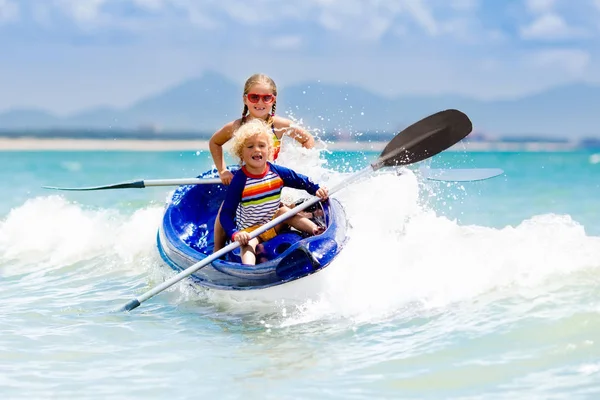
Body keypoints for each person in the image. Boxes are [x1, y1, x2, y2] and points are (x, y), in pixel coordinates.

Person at [209, 73, 316, 251]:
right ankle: (218, 252)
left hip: (272, 181)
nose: (260, 102)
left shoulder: (279, 124)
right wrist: (222, 171)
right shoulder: (237, 126)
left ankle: (304, 225)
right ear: (245, 99)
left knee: (286, 208)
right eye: (254, 97)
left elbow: (307, 140)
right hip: (247, 182)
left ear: (273, 100)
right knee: (223, 211)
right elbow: (215, 142)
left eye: (266, 97)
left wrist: (300, 165)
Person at [219, 119, 328, 265]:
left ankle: (317, 231)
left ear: (269, 150)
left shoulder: (276, 172)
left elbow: (298, 179)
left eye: (261, 146)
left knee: (285, 212)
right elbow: (226, 213)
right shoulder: (240, 180)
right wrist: (235, 233)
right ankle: (249, 270)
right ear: (241, 153)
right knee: (247, 244)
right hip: (251, 230)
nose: (256, 150)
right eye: (250, 146)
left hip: (273, 222)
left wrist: (316, 189)